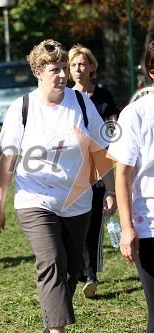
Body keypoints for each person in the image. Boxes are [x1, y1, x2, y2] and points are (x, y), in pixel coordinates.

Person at [0, 39, 116, 333]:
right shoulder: (22, 108)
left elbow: (100, 151)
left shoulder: (81, 103)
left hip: (77, 201)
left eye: (62, 68)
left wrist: (109, 191)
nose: (61, 74)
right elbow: (8, 161)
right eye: (53, 69)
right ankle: (57, 330)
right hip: (34, 199)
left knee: (72, 269)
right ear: (38, 72)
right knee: (52, 259)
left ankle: (50, 325)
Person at [107, 40, 154, 333]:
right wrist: (127, 228)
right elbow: (121, 173)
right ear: (152, 71)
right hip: (149, 225)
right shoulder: (135, 113)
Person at [68, 44, 120, 298]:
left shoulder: (103, 96)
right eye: (73, 65)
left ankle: (90, 275)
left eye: (82, 64)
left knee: (95, 223)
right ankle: (79, 269)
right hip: (74, 172)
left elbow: (113, 128)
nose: (78, 69)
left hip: (100, 171)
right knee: (78, 223)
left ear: (91, 67)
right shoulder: (66, 97)